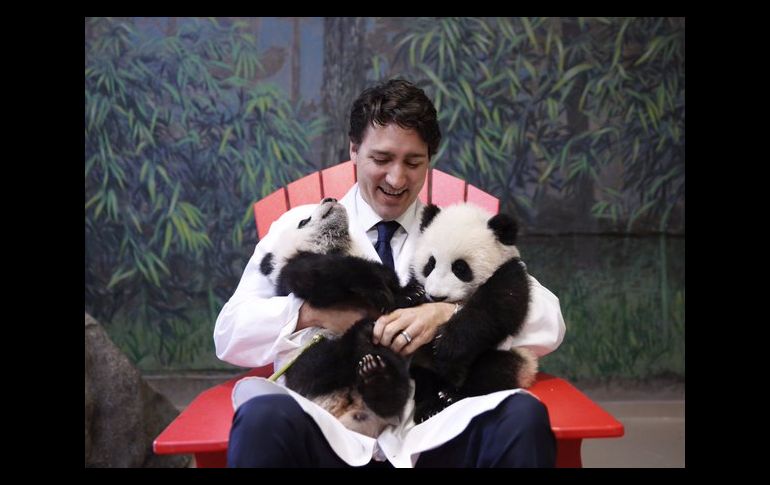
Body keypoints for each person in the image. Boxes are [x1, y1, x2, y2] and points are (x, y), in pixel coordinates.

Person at [214, 79, 566, 468]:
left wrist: (449, 314)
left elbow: (548, 320)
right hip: (329, 428)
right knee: (262, 418)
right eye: (381, 160)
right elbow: (230, 333)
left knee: (522, 417)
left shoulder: (453, 232)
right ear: (353, 149)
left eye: (413, 163)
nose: (396, 179)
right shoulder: (303, 227)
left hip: (434, 427)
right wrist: (313, 314)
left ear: (430, 159)